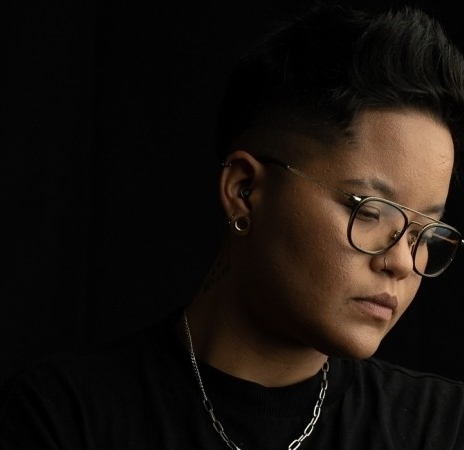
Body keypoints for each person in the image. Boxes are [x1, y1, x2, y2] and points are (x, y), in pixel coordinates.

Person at [1, 2, 464, 449]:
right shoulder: (63, 417)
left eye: (424, 232)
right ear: (244, 190)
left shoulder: (442, 427)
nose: (401, 262)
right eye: (368, 211)